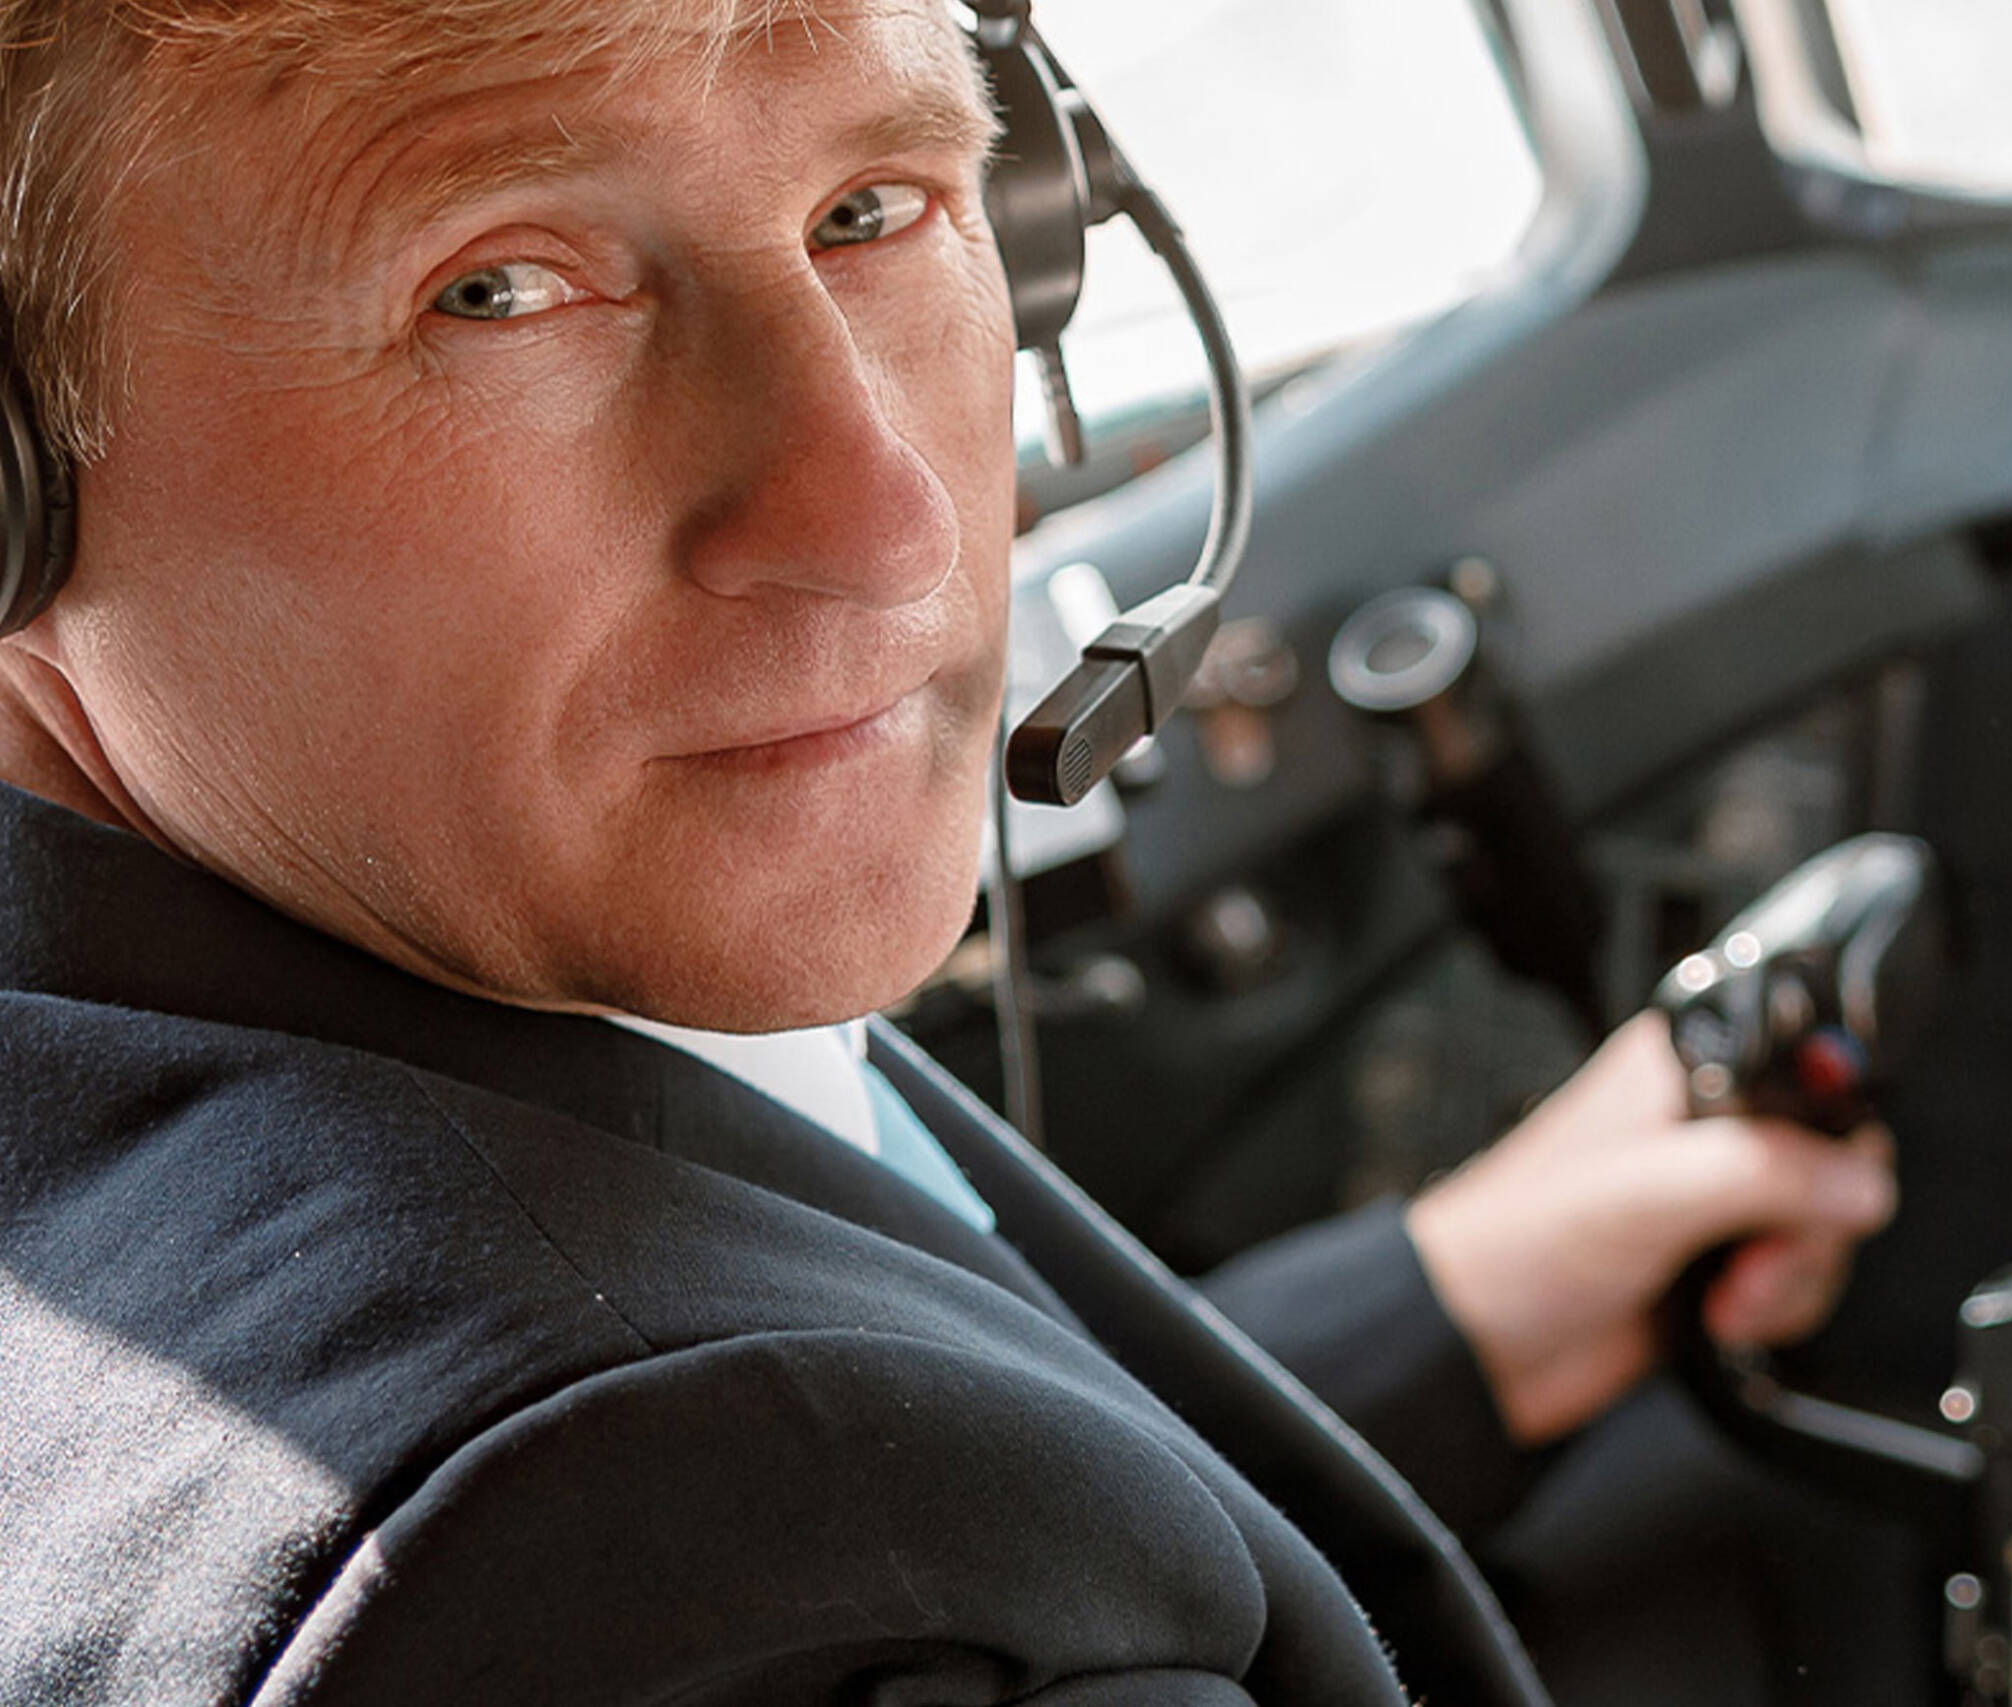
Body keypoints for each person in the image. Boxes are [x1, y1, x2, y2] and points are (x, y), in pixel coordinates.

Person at [0, 1, 1898, 1701]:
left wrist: (1448, 1308)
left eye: (873, 211)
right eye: (498, 287)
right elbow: (750, 1481)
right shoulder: (739, 1571)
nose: (887, 518)